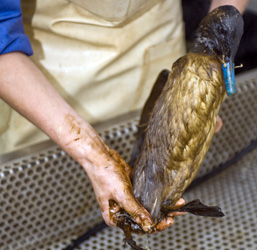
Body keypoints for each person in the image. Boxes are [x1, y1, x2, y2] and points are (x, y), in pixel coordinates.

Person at [0, 0, 248, 232]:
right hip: (44, 90)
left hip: (159, 56)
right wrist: (93, 155)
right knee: (51, 224)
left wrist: (206, 76)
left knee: (155, 210)